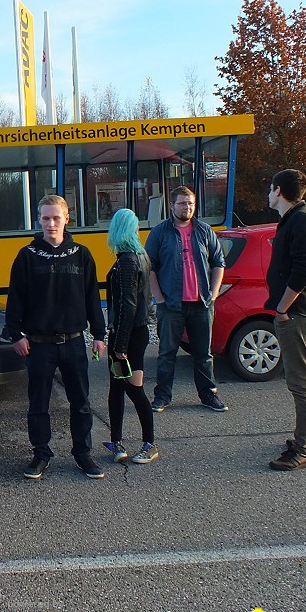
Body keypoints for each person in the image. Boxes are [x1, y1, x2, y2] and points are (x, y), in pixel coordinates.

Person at [5, 194, 107, 480]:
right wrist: (16, 334)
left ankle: (83, 454)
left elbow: (92, 297)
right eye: (46, 218)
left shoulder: (82, 255)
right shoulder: (26, 256)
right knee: (38, 403)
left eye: (56, 218)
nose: (51, 223)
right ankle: (41, 454)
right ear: (38, 220)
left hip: (74, 342)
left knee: (81, 402)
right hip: (38, 344)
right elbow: (16, 299)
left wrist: (99, 334)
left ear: (66, 219)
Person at [265, 169, 306, 471]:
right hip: (298, 310)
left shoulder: (301, 221)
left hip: (298, 312)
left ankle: (304, 448)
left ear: (279, 191)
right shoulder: (292, 220)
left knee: (300, 381)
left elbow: (303, 272)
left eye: (270, 188)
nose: (268, 193)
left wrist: (282, 308)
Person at [143, 185, 228, 413]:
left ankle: (208, 395)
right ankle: (162, 397)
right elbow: (149, 266)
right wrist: (158, 297)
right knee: (167, 354)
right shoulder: (160, 232)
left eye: (190, 203)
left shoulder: (204, 230)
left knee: (203, 354)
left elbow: (219, 261)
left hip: (201, 304)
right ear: (172, 206)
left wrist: (214, 292)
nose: (187, 207)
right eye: (182, 203)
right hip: (171, 305)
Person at [103, 208, 158, 465]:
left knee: (131, 390)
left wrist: (119, 345)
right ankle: (118, 441)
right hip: (138, 332)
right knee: (121, 388)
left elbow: (127, 305)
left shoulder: (126, 260)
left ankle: (147, 443)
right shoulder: (141, 255)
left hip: (127, 335)